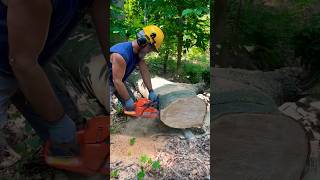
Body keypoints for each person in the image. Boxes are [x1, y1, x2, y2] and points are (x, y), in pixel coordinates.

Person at [0, 0, 107, 167]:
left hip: (31, 53)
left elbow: (102, 13)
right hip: (14, 62)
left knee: (73, 136)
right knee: (61, 125)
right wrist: (57, 121)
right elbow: (22, 64)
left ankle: (78, 166)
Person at [108, 25, 164, 114]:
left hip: (118, 81)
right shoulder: (121, 55)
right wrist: (127, 100)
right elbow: (117, 81)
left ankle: (133, 124)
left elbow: (144, 71)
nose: (149, 52)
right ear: (144, 42)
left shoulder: (138, 54)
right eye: (150, 48)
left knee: (134, 106)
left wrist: (151, 91)